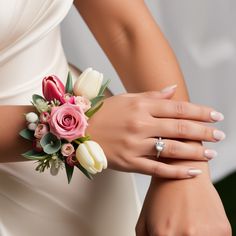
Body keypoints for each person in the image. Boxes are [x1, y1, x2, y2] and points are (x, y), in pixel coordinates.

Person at [0, 1, 231, 236]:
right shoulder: (87, 134)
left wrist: (181, 164)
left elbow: (126, 29)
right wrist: (77, 129)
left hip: (85, 176)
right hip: (86, 147)